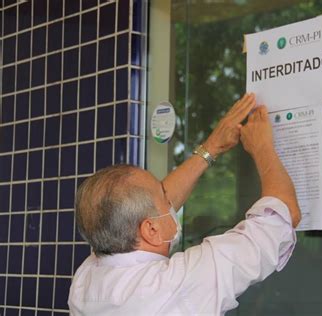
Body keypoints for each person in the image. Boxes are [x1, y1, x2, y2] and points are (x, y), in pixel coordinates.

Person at [68, 93, 301, 315]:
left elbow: (138, 208)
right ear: (151, 230)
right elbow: (283, 216)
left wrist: (211, 148)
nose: (169, 199)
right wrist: (262, 147)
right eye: (163, 195)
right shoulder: (179, 284)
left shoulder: (87, 279)